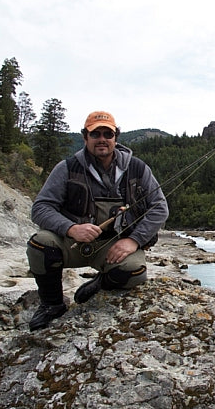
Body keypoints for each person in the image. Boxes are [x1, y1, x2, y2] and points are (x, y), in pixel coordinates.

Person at [26, 110, 169, 331]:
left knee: (135, 272)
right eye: (95, 134)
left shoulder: (138, 168)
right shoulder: (67, 168)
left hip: (115, 245)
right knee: (39, 244)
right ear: (85, 137)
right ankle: (51, 304)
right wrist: (71, 228)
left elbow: (159, 208)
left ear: (115, 138)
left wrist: (134, 241)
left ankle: (100, 282)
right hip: (73, 242)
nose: (102, 139)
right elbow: (41, 208)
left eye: (107, 134)